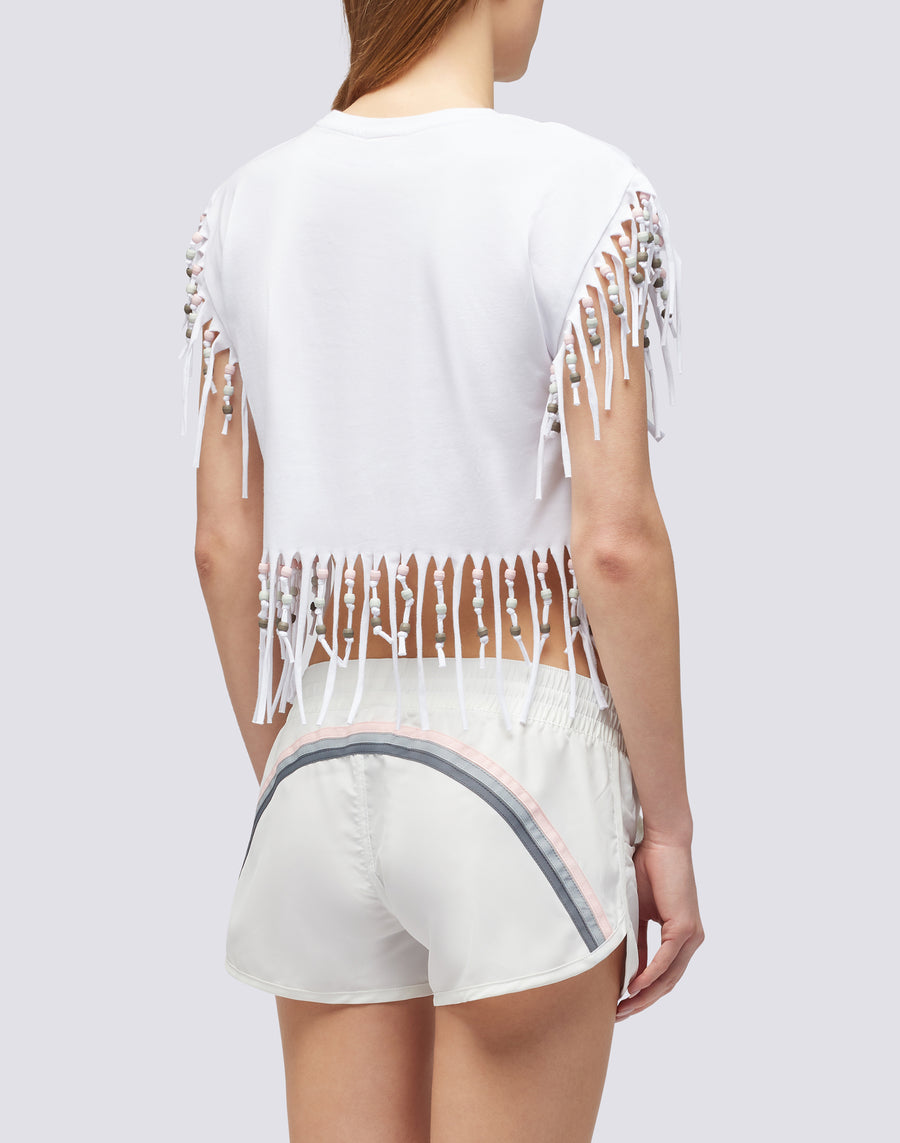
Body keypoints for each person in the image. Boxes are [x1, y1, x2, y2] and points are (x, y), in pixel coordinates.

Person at [180, 0, 704, 1138]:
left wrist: (298, 766)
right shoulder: (578, 187)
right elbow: (615, 543)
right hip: (517, 766)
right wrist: (667, 827)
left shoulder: (242, 207)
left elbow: (224, 546)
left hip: (318, 755)